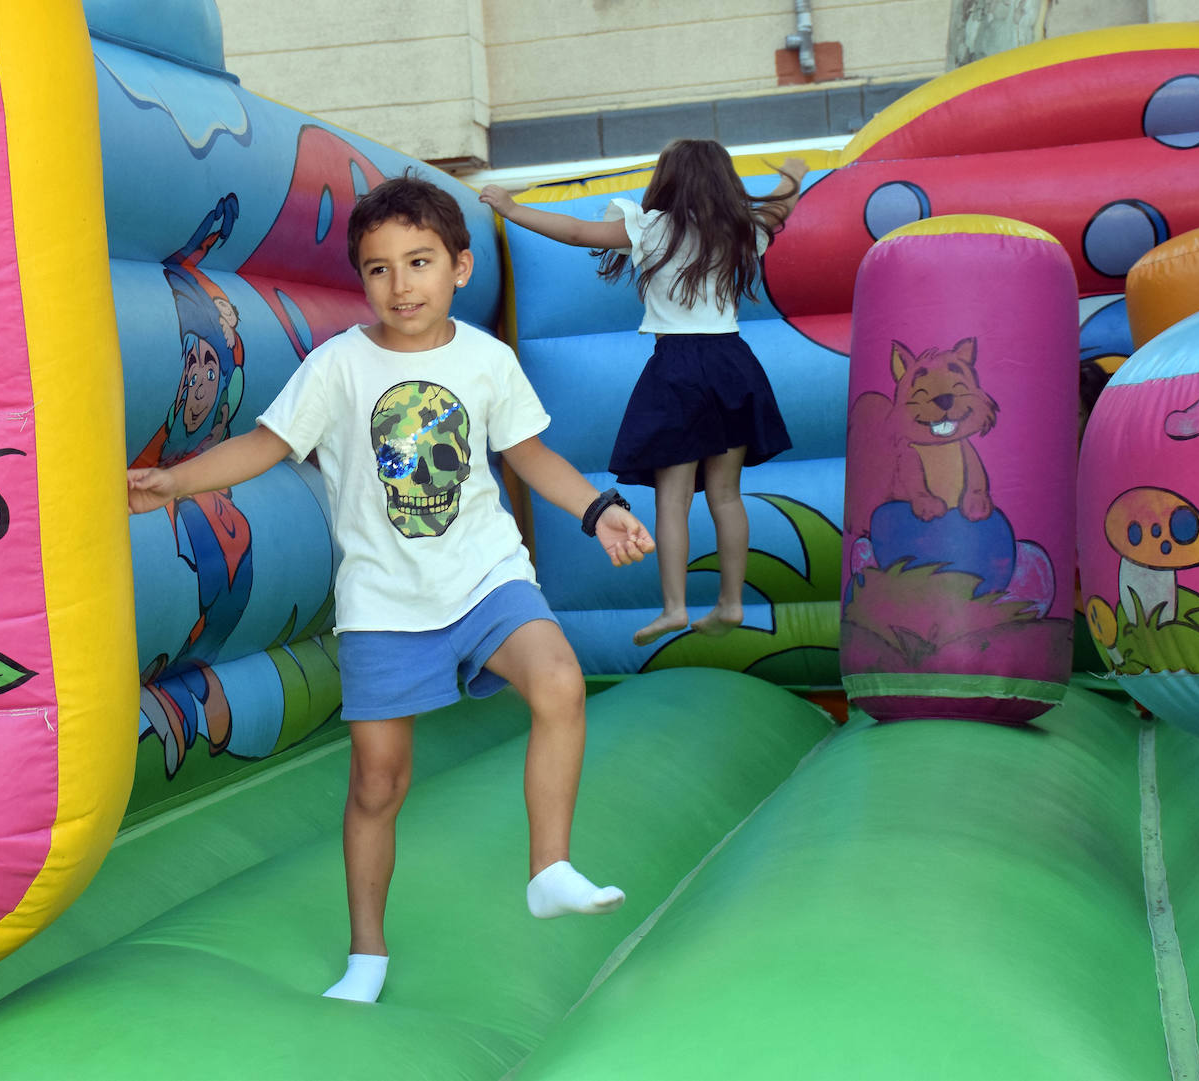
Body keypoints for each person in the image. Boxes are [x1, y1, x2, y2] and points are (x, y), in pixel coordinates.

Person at [127, 174, 655, 1005]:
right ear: (362, 280)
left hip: (486, 575)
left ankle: (549, 865)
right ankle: (366, 952)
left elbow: (530, 457)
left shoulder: (487, 360)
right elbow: (266, 445)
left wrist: (601, 510)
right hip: (383, 601)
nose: (400, 284)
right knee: (379, 782)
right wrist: (175, 484)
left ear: (460, 267)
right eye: (378, 269)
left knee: (557, 679)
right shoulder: (339, 365)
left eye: (419, 262)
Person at [480, 139, 806, 647]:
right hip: (733, 363)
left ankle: (675, 607)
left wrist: (510, 207)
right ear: (723, 180)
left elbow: (573, 231)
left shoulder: (651, 227)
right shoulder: (743, 228)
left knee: (673, 500)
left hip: (677, 367)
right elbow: (781, 207)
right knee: (725, 494)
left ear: (668, 178)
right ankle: (732, 602)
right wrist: (793, 173)